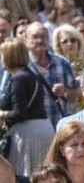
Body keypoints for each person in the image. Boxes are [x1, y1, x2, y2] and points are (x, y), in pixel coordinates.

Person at [0, 39, 54, 177]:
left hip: (29, 136)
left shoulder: (18, 78)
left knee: (25, 177)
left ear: (9, 56)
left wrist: (2, 114)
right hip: (43, 129)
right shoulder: (32, 74)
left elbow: (20, 113)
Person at [22, 22, 80, 126]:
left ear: (48, 39)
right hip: (31, 129)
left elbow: (75, 95)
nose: (40, 40)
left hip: (59, 127)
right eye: (35, 37)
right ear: (25, 40)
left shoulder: (62, 63)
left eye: (43, 36)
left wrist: (64, 91)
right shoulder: (21, 64)